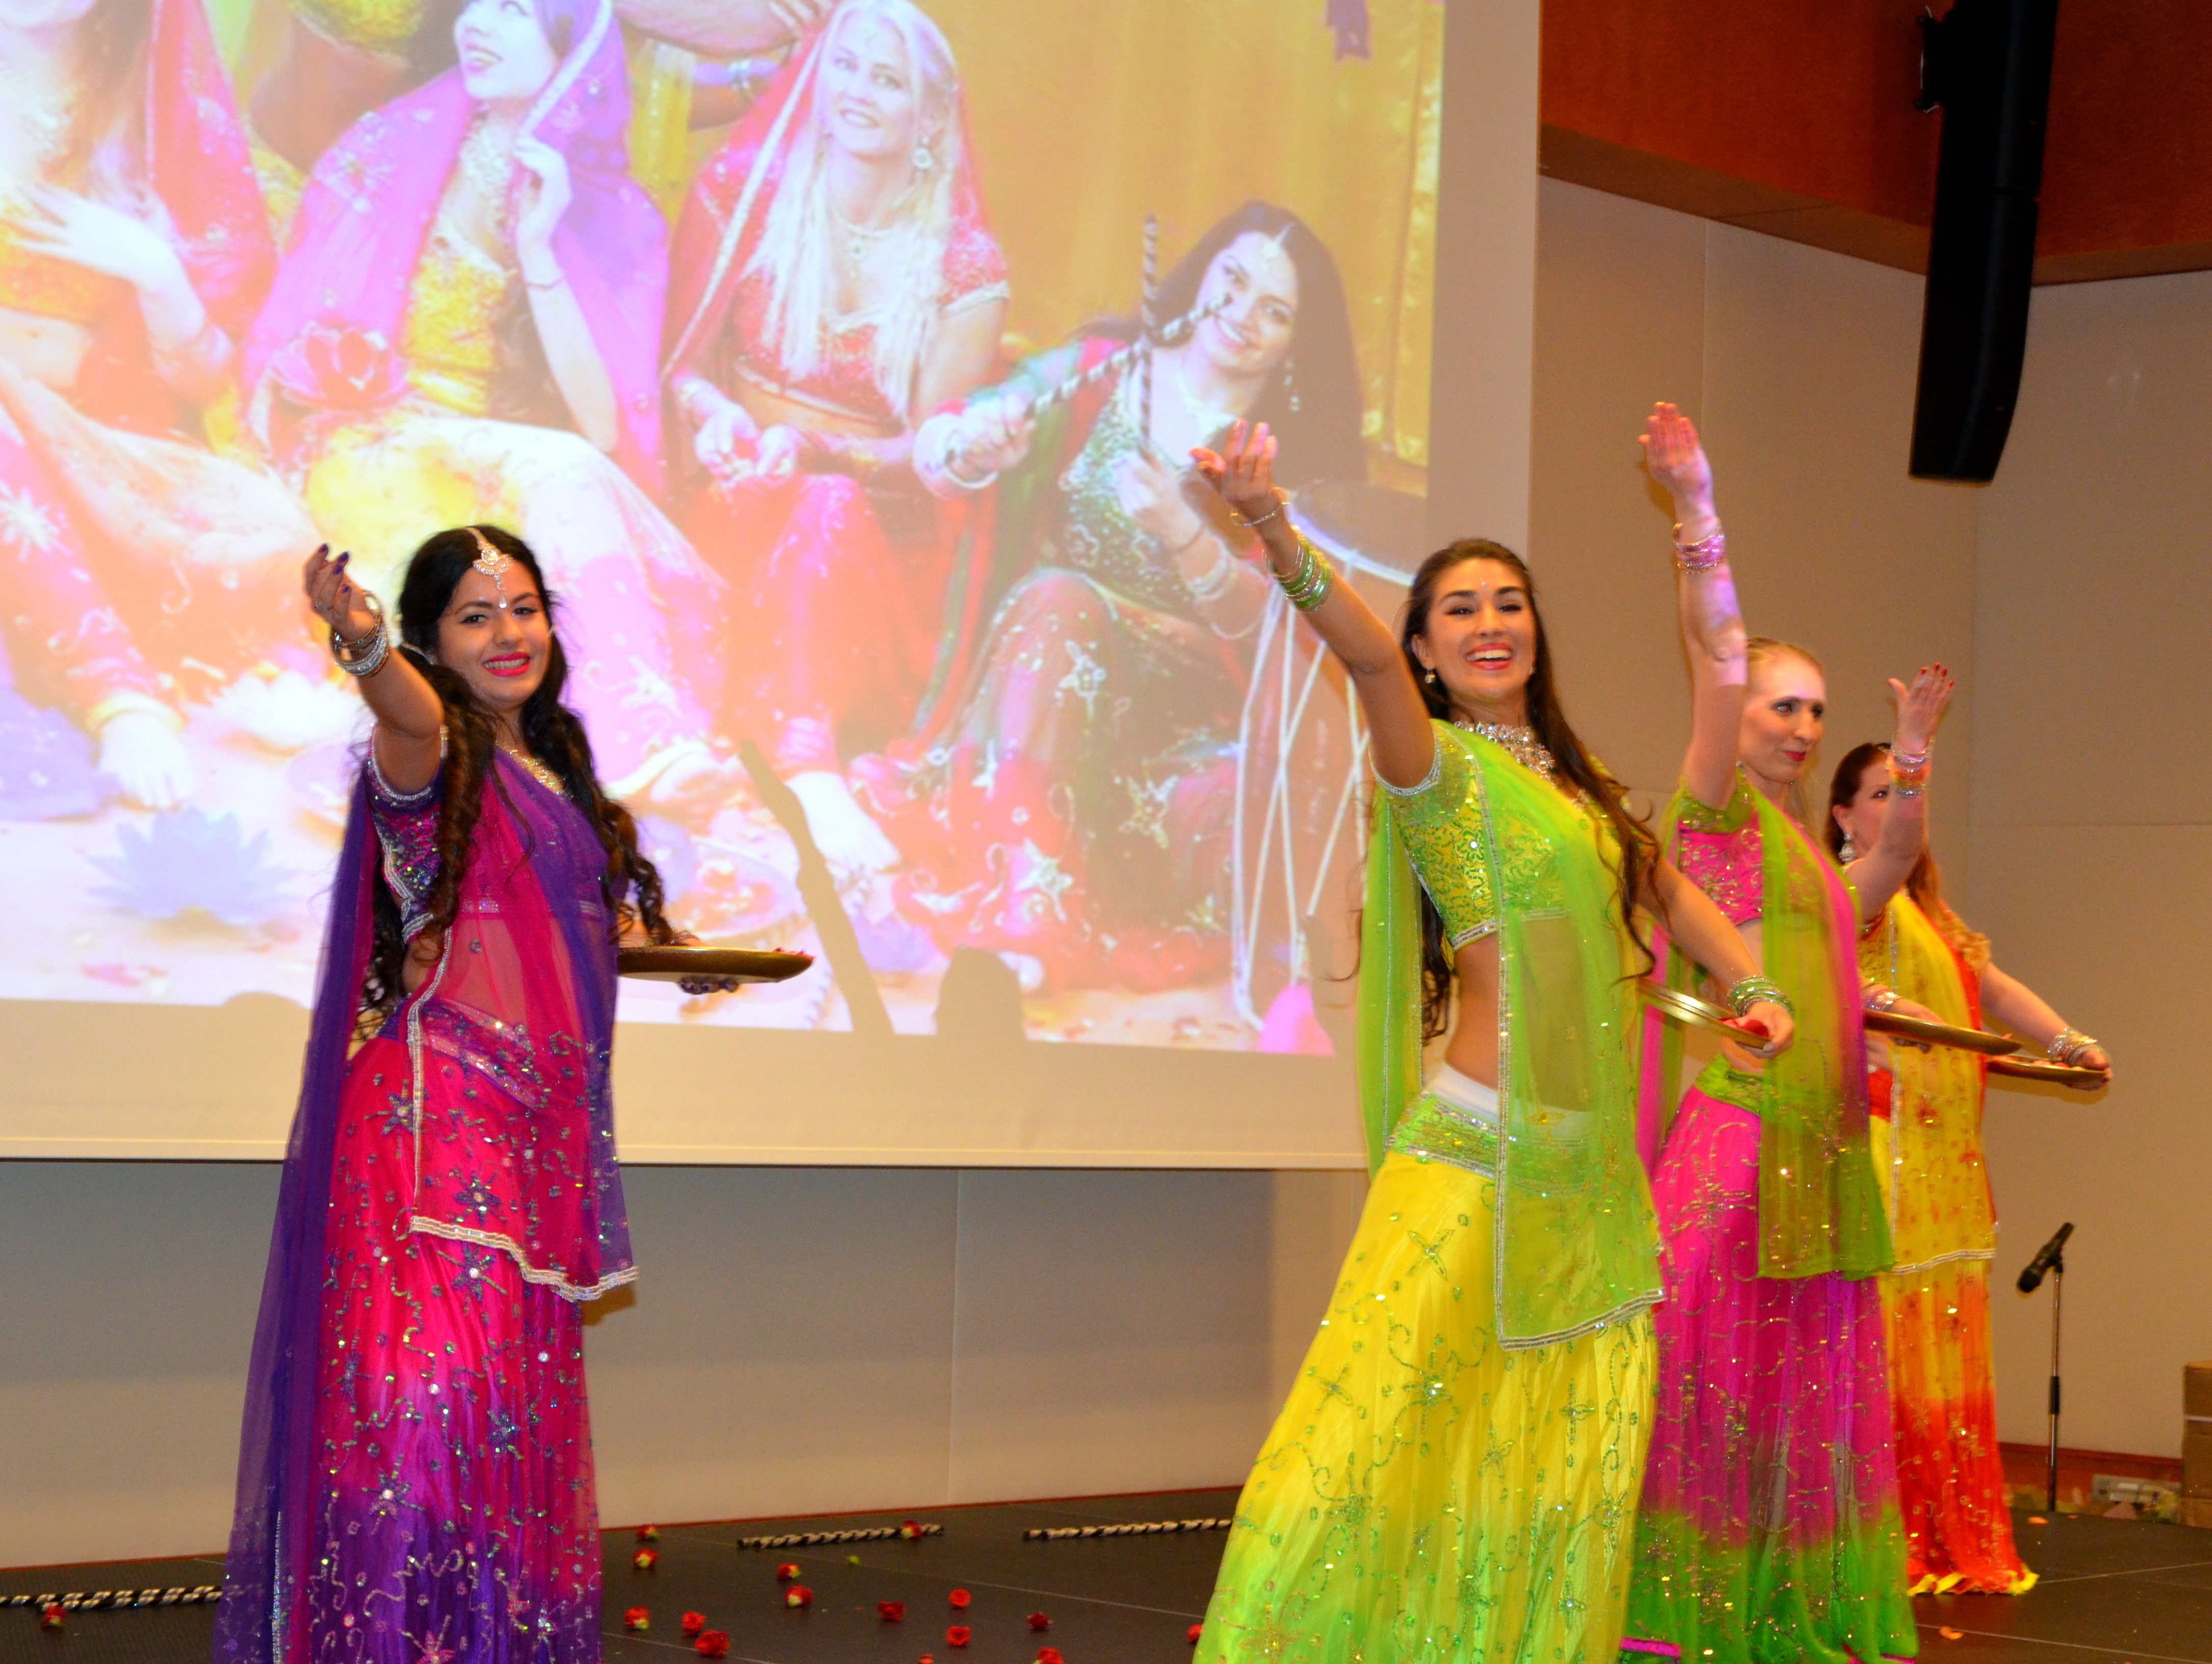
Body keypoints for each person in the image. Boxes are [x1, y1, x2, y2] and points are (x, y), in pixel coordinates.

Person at [1186, 421, 1794, 1660]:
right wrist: (1269, 524)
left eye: (1508, 603)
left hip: (1587, 1178)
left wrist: (1752, 983)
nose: (1488, 624)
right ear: (1425, 646)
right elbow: (1361, 657)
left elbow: (1666, 889)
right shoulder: (1434, 764)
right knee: (1378, 1440)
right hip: (1475, 1159)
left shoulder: (1577, 785)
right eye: (1457, 609)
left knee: (1545, 1457)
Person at [216, 527, 727, 1664]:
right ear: (434, 638)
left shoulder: (551, 769)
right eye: (477, 615)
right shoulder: (431, 750)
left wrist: (673, 951)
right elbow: (405, 714)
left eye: (525, 609)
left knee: (505, 1414)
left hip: (529, 1144)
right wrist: (363, 643)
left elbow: (563, 923)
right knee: (422, 1416)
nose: (509, 634)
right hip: (426, 1135)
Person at [1627, 402, 1954, 1664]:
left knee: (1787, 1404)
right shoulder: (1710, 814)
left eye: (1816, 711)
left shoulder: (1810, 861)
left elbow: (1891, 866)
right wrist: (1696, 512)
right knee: (1703, 1386)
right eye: (1782, 707)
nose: (1804, 729)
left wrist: (1910, 757)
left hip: (1817, 1151)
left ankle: (1772, 1604)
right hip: (1735, 1143)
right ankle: (1678, 1610)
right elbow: (1715, 653)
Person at [852, 201, 1367, 990]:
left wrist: (1185, 535)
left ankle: (1067, 866)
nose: (1242, 316)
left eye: (1276, 312)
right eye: (1232, 282)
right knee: (1062, 600)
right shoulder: (1104, 373)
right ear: (1201, 277)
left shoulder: (1286, 462)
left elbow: (1282, 633)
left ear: (1297, 345)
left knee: (1262, 829)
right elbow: (953, 438)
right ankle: (1030, 908)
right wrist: (977, 445)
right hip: (1047, 695)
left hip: (1183, 735)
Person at [243, 0, 735, 815]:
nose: (477, 23)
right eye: (474, 3)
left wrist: (541, 245)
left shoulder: (609, 212)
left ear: (573, 47)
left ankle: (610, 736)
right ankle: (627, 741)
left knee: (560, 485)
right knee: (548, 486)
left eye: (511, 10)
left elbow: (605, 423)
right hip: (368, 441)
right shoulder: (392, 148)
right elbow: (297, 336)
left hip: (488, 456)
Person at [662, 0, 1007, 870]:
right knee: (792, 498)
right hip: (735, 499)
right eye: (845, 66)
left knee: (826, 502)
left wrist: (818, 452)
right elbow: (679, 365)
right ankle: (772, 757)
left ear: (931, 116)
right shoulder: (742, 194)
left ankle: (808, 762)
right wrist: (717, 417)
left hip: (870, 551)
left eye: (887, 80)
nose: (856, 91)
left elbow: (928, 456)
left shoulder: (964, 264)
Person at [1828, 740, 2109, 1596]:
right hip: (1882, 1150)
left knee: (1939, 1333)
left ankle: (1935, 1524)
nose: (1899, 810)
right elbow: (1844, 988)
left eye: (1906, 793)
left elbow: (1994, 989)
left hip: (1945, 1159)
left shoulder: (1932, 914)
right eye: (1880, 794)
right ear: (1843, 816)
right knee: (1883, 1337)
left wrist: (2069, 1043)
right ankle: (1870, 1529)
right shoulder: (1847, 895)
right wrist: (1884, 1006)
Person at [0, 0, 281, 812]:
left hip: (105, 458)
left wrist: (155, 271)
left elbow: (208, 384)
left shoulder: (165, 120)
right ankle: (118, 695)